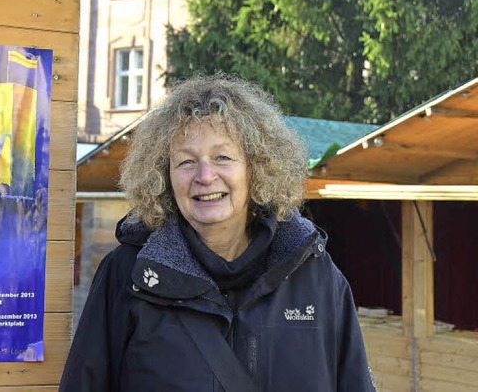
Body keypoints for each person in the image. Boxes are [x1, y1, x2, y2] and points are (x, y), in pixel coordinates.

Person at [60, 75, 376, 392]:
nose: (205, 176)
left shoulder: (316, 276)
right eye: (186, 161)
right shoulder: (128, 274)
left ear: (257, 167)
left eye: (222, 157)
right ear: (163, 176)